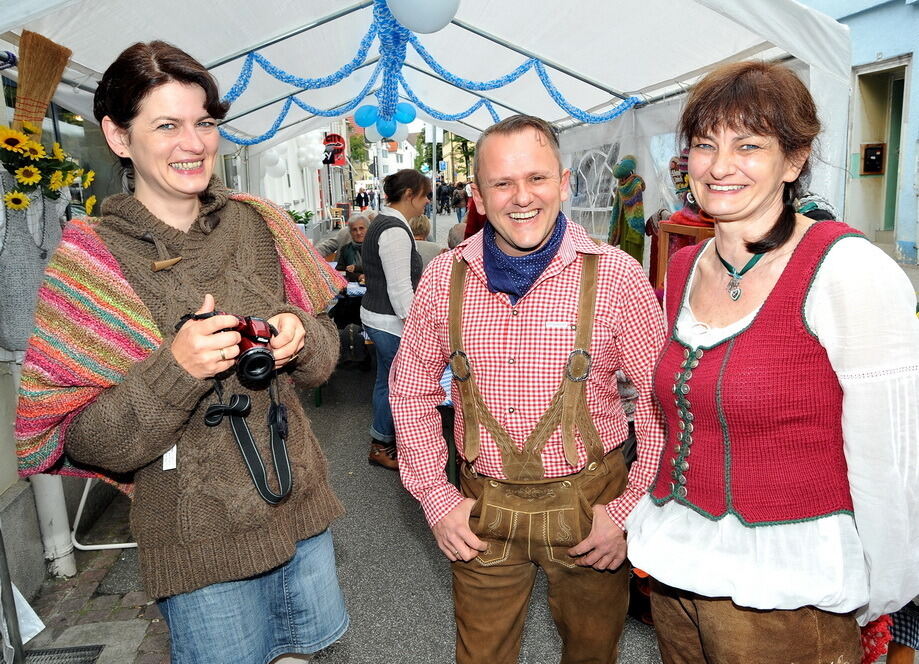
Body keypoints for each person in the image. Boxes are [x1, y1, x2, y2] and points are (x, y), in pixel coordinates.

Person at [14, 42, 349, 664]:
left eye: (203, 122)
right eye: (165, 125)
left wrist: (301, 335)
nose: (192, 143)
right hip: (198, 543)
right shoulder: (93, 261)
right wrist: (178, 370)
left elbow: (326, 356)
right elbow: (88, 441)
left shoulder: (259, 224)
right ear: (118, 137)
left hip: (301, 512)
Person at [625, 61, 919, 663]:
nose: (720, 165)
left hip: (788, 590)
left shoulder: (849, 270)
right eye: (704, 145)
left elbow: (892, 455)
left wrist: (886, 589)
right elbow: (671, 417)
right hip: (678, 572)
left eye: (748, 145)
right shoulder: (683, 267)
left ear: (794, 160)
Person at [390, 114, 666, 663]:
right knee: (481, 656)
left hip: (593, 507)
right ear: (478, 194)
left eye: (537, 179)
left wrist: (632, 507)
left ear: (564, 183)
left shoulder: (617, 276)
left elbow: (662, 404)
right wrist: (438, 498)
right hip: (481, 507)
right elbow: (410, 390)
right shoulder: (444, 277)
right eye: (502, 183)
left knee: (592, 652)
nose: (522, 198)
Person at [360, 168, 430, 471]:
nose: (427, 201)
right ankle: (383, 444)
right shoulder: (394, 230)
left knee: (385, 382)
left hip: (379, 316)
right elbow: (400, 289)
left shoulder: (384, 223)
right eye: (425, 195)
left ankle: (382, 440)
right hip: (389, 321)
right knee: (395, 386)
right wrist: (419, 329)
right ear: (410, 194)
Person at [336, 213, 368, 282]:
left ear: (368, 229)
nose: (358, 232)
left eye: (361, 228)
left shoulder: (376, 248)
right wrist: (358, 276)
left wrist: (356, 268)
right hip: (352, 288)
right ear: (350, 233)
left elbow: (376, 269)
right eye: (354, 230)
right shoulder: (345, 249)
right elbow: (340, 272)